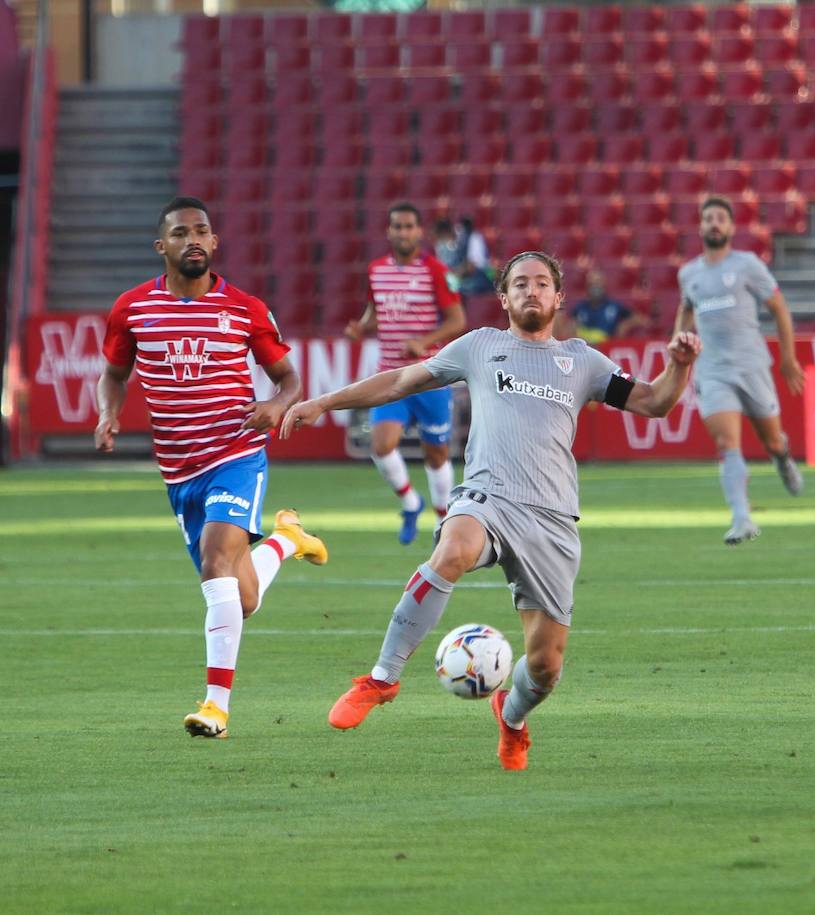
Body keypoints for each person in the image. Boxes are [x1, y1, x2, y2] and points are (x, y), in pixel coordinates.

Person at [282, 251, 702, 771]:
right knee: (453, 548)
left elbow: (654, 402)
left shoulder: (583, 361)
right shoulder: (480, 346)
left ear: (558, 297)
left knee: (546, 666)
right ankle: (382, 678)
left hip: (552, 520)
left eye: (542, 283)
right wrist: (323, 402)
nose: (531, 291)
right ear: (503, 298)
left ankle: (512, 716)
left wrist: (679, 366)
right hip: (488, 497)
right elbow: (400, 381)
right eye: (520, 283)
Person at [95, 196, 328, 739]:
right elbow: (113, 372)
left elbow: (289, 380)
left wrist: (276, 405)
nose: (192, 239)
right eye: (180, 233)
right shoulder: (132, 309)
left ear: (215, 242)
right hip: (179, 473)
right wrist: (108, 412)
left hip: (236, 454)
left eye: (202, 230)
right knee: (240, 598)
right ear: (163, 247)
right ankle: (287, 540)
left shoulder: (244, 307)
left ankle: (215, 706)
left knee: (216, 561)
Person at [674, 196, 805, 545]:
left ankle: (782, 456)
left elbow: (779, 308)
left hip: (752, 366)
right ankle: (742, 518)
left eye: (720, 218)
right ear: (700, 227)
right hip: (713, 371)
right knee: (726, 443)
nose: (714, 223)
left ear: (731, 227)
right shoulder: (689, 274)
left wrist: (788, 358)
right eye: (708, 218)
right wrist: (678, 348)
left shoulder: (748, 265)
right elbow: (686, 312)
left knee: (771, 439)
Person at [346, 203, 467, 545]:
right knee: (381, 445)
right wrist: (362, 327)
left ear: (419, 231)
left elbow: (457, 320)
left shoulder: (436, 271)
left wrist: (424, 342)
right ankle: (411, 503)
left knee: (437, 454)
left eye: (409, 226)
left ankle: (444, 522)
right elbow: (376, 310)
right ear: (389, 232)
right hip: (390, 377)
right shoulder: (376, 270)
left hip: (429, 376)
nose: (403, 232)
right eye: (397, 226)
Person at [568, 268, 647, 342]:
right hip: (586, 349)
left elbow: (641, 319)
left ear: (603, 284)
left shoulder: (614, 306)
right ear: (587, 286)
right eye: (592, 284)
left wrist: (624, 325)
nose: (595, 287)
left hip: (607, 348)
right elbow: (568, 328)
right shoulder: (579, 308)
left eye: (598, 283)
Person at [455, 215, 497, 296]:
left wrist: (458, 273)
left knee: (463, 289)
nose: (459, 231)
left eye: (460, 229)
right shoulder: (460, 240)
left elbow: (473, 265)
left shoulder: (475, 238)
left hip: (480, 275)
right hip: (466, 275)